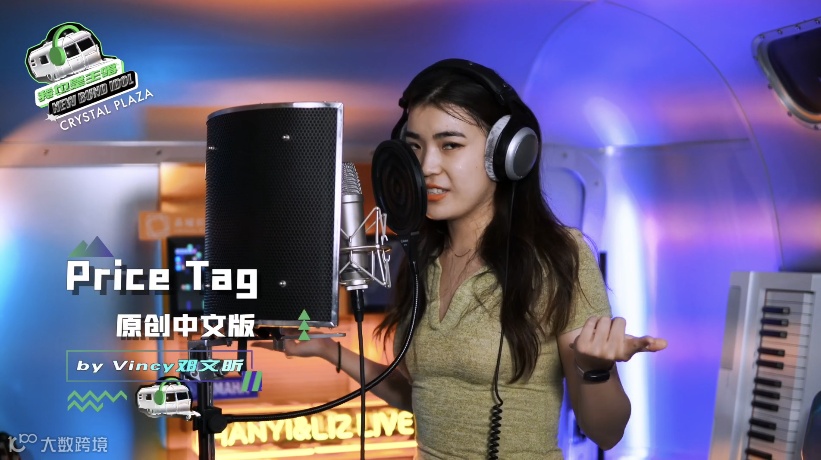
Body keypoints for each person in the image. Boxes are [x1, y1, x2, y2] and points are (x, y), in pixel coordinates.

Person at [256, 58, 667, 459]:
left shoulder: (559, 256)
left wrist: (594, 370)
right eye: (415, 147)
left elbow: (607, 432)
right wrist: (327, 351)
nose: (426, 167)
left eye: (450, 145)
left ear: (505, 154)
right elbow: (420, 395)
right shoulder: (423, 257)